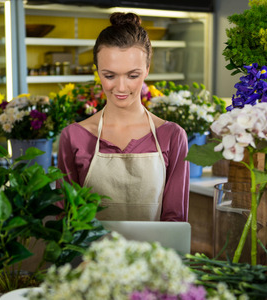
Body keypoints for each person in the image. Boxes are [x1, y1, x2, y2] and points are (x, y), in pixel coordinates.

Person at [57, 12, 189, 222]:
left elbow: (175, 222)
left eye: (132, 75)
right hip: (90, 256)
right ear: (98, 72)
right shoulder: (74, 137)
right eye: (109, 75)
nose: (120, 87)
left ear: (146, 70)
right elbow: (65, 220)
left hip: (154, 254)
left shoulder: (172, 136)